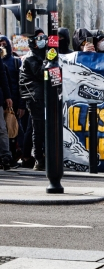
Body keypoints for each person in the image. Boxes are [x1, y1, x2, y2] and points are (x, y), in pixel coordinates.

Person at [19, 29, 45, 171]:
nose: (43, 41)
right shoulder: (30, 58)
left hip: (41, 96)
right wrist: (49, 59)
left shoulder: (40, 55)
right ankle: (38, 158)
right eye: (39, 38)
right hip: (35, 97)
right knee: (37, 128)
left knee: (38, 127)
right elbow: (41, 74)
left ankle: (39, 156)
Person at [0, 36, 26, 168]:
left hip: (10, 102)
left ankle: (11, 156)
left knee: (10, 129)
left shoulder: (15, 62)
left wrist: (18, 102)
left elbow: (16, 83)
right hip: (6, 99)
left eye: (4, 44)